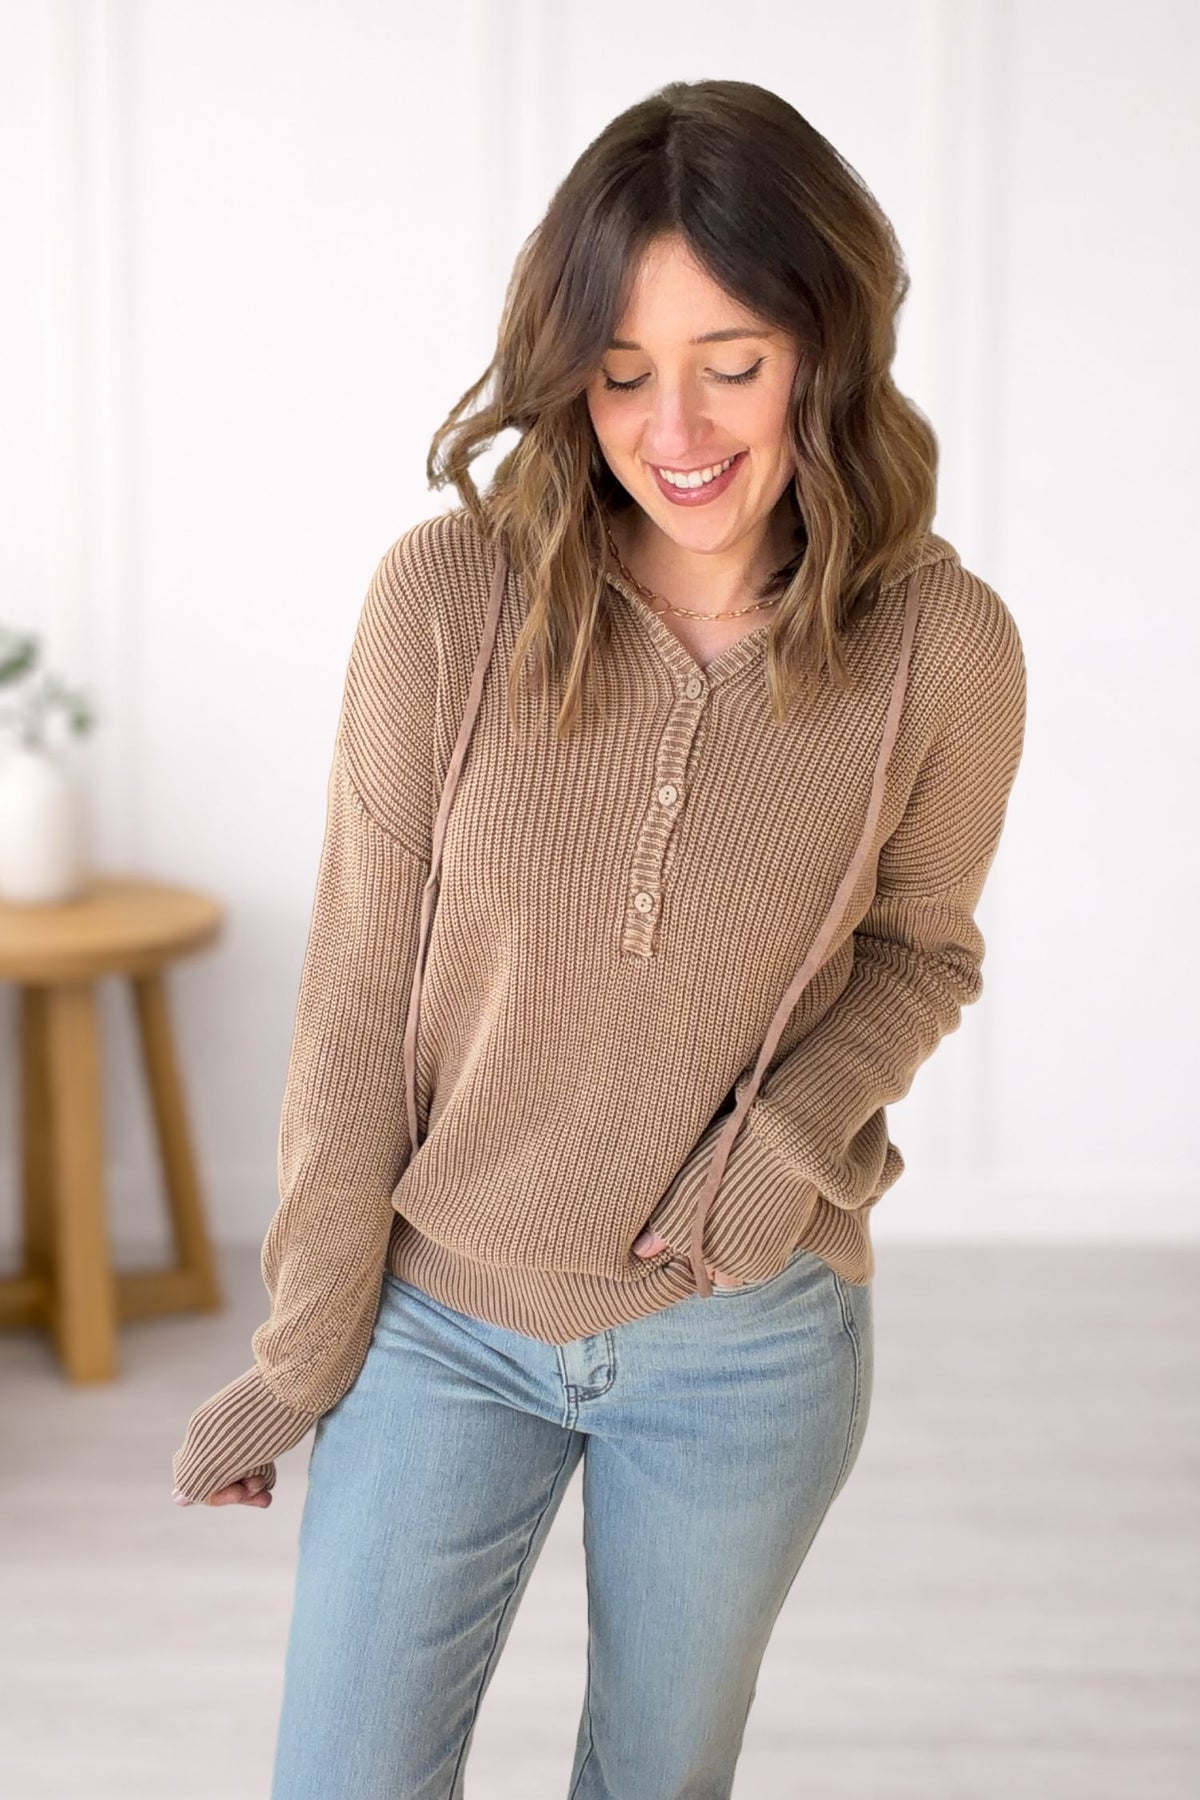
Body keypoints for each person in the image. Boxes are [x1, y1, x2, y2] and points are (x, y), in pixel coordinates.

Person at [171, 77, 1027, 1798]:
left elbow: (924, 950)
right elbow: (357, 1000)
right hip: (443, 1321)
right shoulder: (446, 600)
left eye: (732, 361)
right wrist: (301, 1352)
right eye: (622, 370)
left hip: (745, 1344)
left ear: (827, 346)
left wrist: (781, 1145)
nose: (674, 426)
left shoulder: (943, 648)